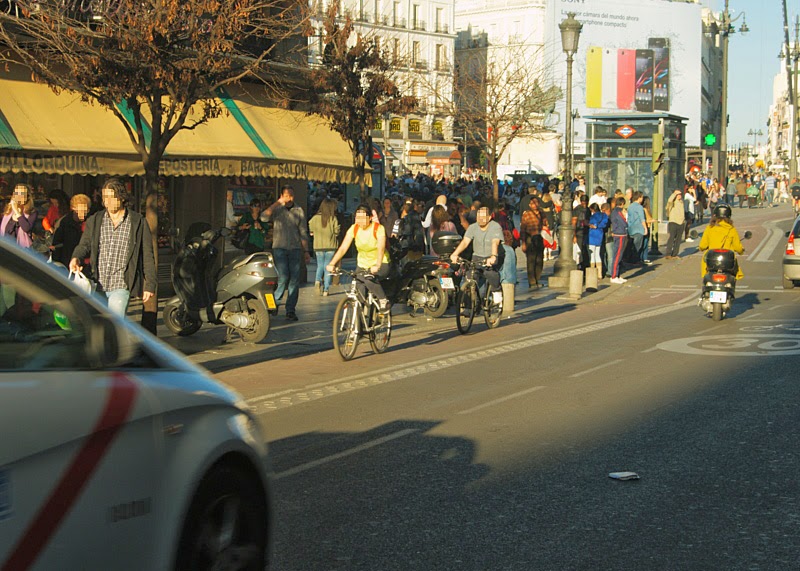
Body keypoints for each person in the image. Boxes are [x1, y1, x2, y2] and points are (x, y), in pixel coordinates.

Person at [69, 178, 156, 317]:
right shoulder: (96, 220)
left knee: (115, 325)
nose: (107, 202)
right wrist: (76, 258)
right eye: (104, 197)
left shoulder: (137, 221)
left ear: (121, 198)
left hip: (120, 285)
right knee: (96, 326)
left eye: (111, 197)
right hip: (97, 284)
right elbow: (84, 244)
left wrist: (150, 285)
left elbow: (147, 255)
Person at [327, 204, 391, 312]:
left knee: (369, 279)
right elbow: (343, 248)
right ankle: (360, 324)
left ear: (370, 217)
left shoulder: (378, 228)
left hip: (381, 263)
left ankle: (383, 300)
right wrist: (332, 263)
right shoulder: (354, 228)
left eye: (363, 217)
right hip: (362, 265)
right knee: (359, 291)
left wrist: (377, 265)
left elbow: (380, 248)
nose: (359, 220)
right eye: (357, 217)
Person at [264, 186, 311, 321]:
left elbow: (303, 232)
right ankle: (274, 304)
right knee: (283, 277)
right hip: (280, 248)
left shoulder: (299, 210)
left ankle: (290, 309)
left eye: (291, 195)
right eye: (286, 195)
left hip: (295, 249)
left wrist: (306, 251)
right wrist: (277, 203)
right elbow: (263, 218)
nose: (289, 198)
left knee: (294, 280)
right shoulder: (277, 209)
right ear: (281, 195)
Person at [450, 206, 503, 291]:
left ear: (489, 217)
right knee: (470, 276)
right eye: (478, 217)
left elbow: (495, 242)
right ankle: (471, 297)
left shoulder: (495, 227)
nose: (480, 219)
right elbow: (465, 242)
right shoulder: (472, 227)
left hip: (491, 256)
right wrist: (455, 254)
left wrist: (493, 256)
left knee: (491, 274)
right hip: (477, 257)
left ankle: (496, 292)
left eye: (483, 217)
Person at [698, 204, 744, 280]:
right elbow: (738, 247)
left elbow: (703, 245)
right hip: (727, 263)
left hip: (711, 262)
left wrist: (701, 248)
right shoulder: (731, 229)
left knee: (706, 276)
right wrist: (741, 251)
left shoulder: (710, 228)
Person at [308, 198, 340, 296]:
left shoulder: (314, 218)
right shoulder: (333, 218)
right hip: (330, 246)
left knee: (320, 265)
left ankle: (317, 281)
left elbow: (311, 232)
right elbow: (336, 232)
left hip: (318, 246)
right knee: (328, 267)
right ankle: (326, 289)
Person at [51, 193, 91, 267]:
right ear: (73, 208)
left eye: (86, 210)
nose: (84, 213)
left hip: (85, 264)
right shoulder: (64, 223)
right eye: (81, 210)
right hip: (67, 263)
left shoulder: (90, 223)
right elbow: (56, 245)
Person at [1, 183, 38, 249]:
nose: (19, 196)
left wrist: (17, 212)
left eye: (22, 194)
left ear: (27, 196)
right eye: (17, 193)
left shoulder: (32, 212)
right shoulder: (9, 210)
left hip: (23, 249)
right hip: (8, 247)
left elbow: (26, 228)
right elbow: (4, 230)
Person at [520, 197, 545, 289]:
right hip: (530, 237)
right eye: (532, 203)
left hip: (539, 237)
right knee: (531, 260)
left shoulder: (542, 213)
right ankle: (532, 281)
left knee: (539, 260)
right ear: (530, 205)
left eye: (536, 203)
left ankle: (537, 278)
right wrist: (523, 243)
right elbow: (522, 229)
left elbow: (545, 224)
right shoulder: (526, 214)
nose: (534, 205)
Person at [608, 197, 628, 283]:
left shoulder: (614, 211)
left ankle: (618, 274)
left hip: (620, 233)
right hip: (619, 234)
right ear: (622, 203)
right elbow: (624, 222)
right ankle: (614, 276)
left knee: (619, 256)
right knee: (617, 256)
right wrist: (626, 216)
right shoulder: (618, 211)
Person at [587, 202, 609, 279]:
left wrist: (589, 224)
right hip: (599, 236)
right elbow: (604, 224)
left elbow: (592, 224)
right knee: (598, 254)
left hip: (592, 236)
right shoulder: (604, 216)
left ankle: (593, 273)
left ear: (593, 209)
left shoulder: (593, 217)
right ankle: (600, 274)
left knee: (592, 255)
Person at [626, 191, 647, 264]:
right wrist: (645, 228)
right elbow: (642, 218)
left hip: (631, 228)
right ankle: (635, 260)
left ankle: (629, 259)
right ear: (639, 197)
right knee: (638, 245)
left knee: (631, 245)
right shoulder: (639, 207)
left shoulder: (630, 206)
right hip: (638, 228)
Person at [664, 189, 686, 259]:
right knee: (671, 238)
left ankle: (675, 254)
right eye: (678, 195)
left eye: (680, 194)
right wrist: (674, 194)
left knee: (678, 239)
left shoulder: (682, 202)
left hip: (681, 222)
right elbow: (669, 201)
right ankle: (668, 253)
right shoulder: (672, 202)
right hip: (673, 222)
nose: (679, 196)